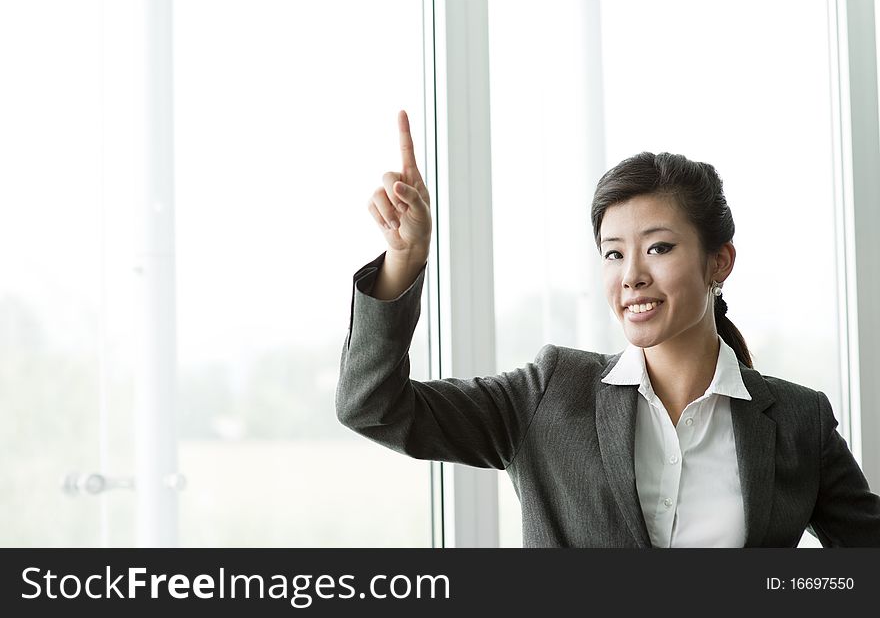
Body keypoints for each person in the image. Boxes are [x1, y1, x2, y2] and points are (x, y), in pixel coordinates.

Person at [336, 110, 880, 547]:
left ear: (719, 262)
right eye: (613, 254)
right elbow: (373, 406)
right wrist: (404, 261)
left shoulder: (798, 421)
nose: (632, 276)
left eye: (659, 248)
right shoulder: (549, 393)